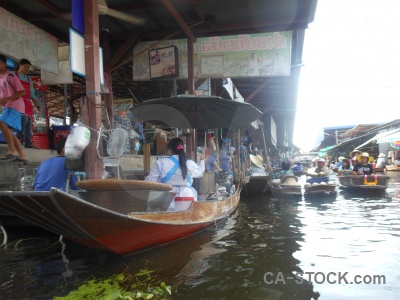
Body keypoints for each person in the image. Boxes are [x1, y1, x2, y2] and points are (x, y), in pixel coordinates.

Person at [145, 138, 205, 209]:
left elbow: (149, 182)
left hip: (168, 201)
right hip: (187, 200)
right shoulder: (189, 163)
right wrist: (202, 162)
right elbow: (200, 172)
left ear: (170, 151)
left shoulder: (161, 163)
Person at [0, 54, 28, 163]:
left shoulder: (10, 75)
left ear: (4, 64)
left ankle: (12, 151)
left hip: (15, 105)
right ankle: (22, 155)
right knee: (9, 132)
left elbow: (22, 92)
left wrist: (8, 99)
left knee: (2, 123)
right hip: (8, 107)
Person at [15, 58, 40, 148]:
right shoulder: (14, 75)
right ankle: (17, 140)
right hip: (17, 102)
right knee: (23, 119)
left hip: (28, 104)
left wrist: (37, 105)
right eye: (25, 66)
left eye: (28, 67)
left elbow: (32, 93)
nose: (27, 69)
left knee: (29, 124)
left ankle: (28, 143)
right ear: (19, 65)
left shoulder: (29, 79)